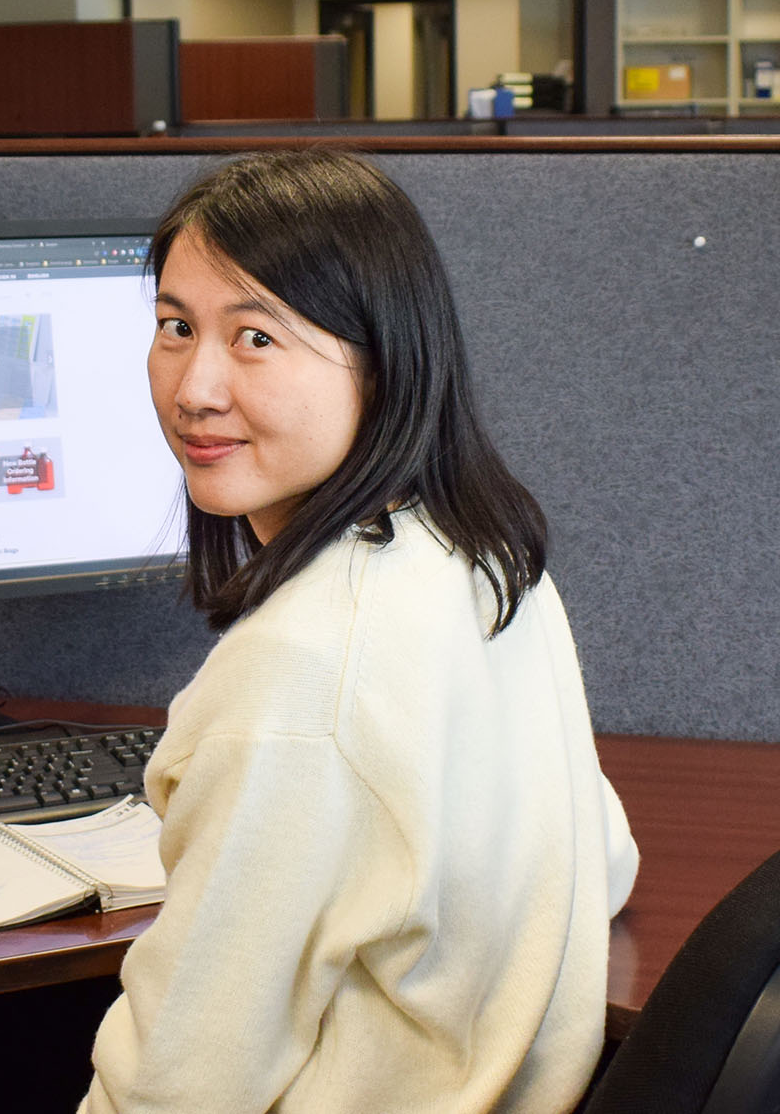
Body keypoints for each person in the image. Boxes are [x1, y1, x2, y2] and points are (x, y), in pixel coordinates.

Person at [83, 150, 641, 1114]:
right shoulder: (481, 559)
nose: (194, 387)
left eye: (255, 338)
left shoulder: (302, 670)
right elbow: (607, 860)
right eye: (175, 327)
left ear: (383, 363)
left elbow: (176, 1091)